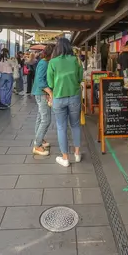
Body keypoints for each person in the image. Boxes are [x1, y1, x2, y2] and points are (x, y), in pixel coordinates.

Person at [47, 37, 84, 167]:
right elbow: (80, 78)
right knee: (75, 125)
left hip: (58, 97)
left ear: (57, 48)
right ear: (69, 47)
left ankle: (65, 158)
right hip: (74, 96)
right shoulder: (77, 60)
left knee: (61, 127)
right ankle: (77, 154)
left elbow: (50, 83)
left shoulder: (53, 62)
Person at [31, 45, 54, 156]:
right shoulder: (44, 64)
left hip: (40, 93)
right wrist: (50, 92)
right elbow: (41, 82)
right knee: (46, 120)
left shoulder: (43, 62)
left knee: (40, 118)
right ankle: (37, 145)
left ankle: (38, 140)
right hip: (42, 94)